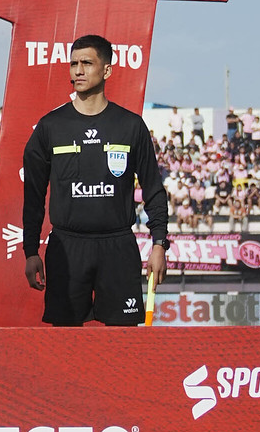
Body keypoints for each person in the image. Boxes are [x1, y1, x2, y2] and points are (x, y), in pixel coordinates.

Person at [20, 34, 169, 326]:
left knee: (123, 346)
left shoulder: (130, 125)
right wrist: (30, 251)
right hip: (67, 247)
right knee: (65, 345)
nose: (78, 70)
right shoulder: (51, 127)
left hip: (117, 247)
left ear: (107, 70)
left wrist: (159, 244)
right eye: (74, 63)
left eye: (87, 63)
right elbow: (34, 196)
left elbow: (153, 189)